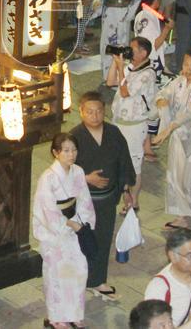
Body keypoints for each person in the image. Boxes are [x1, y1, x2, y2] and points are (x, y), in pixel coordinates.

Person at [71, 91, 135, 300]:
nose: (95, 116)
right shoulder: (74, 137)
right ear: (81, 112)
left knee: (103, 238)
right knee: (82, 241)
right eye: (89, 112)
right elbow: (64, 171)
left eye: (98, 111)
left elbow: (124, 162)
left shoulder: (114, 133)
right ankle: (78, 279)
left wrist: (126, 190)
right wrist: (86, 178)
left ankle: (98, 280)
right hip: (84, 202)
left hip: (107, 199)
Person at [32, 133, 95, 329]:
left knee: (79, 270)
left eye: (74, 150)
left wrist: (79, 223)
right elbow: (47, 209)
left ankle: (75, 314)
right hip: (55, 234)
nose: (71, 154)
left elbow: (84, 200)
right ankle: (56, 317)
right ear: (55, 153)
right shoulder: (48, 179)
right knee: (56, 274)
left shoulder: (77, 172)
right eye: (66, 151)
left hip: (75, 227)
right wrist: (67, 225)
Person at [154, 50, 191, 230]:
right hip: (177, 137)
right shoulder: (179, 82)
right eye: (186, 65)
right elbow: (163, 93)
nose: (188, 69)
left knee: (189, 180)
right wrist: (162, 101)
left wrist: (168, 128)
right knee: (174, 176)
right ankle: (181, 216)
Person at [108, 37, 157, 213]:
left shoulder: (147, 74)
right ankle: (125, 198)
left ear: (143, 53)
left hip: (135, 126)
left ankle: (133, 201)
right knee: (119, 161)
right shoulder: (130, 67)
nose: (129, 52)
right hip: (119, 121)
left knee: (134, 165)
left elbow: (125, 91)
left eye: (132, 49)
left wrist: (121, 68)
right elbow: (110, 82)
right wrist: (116, 62)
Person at [94, 0, 142, 77]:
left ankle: (121, 74)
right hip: (110, 14)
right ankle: (107, 75)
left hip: (124, 13)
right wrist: (98, 0)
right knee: (108, 43)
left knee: (123, 43)